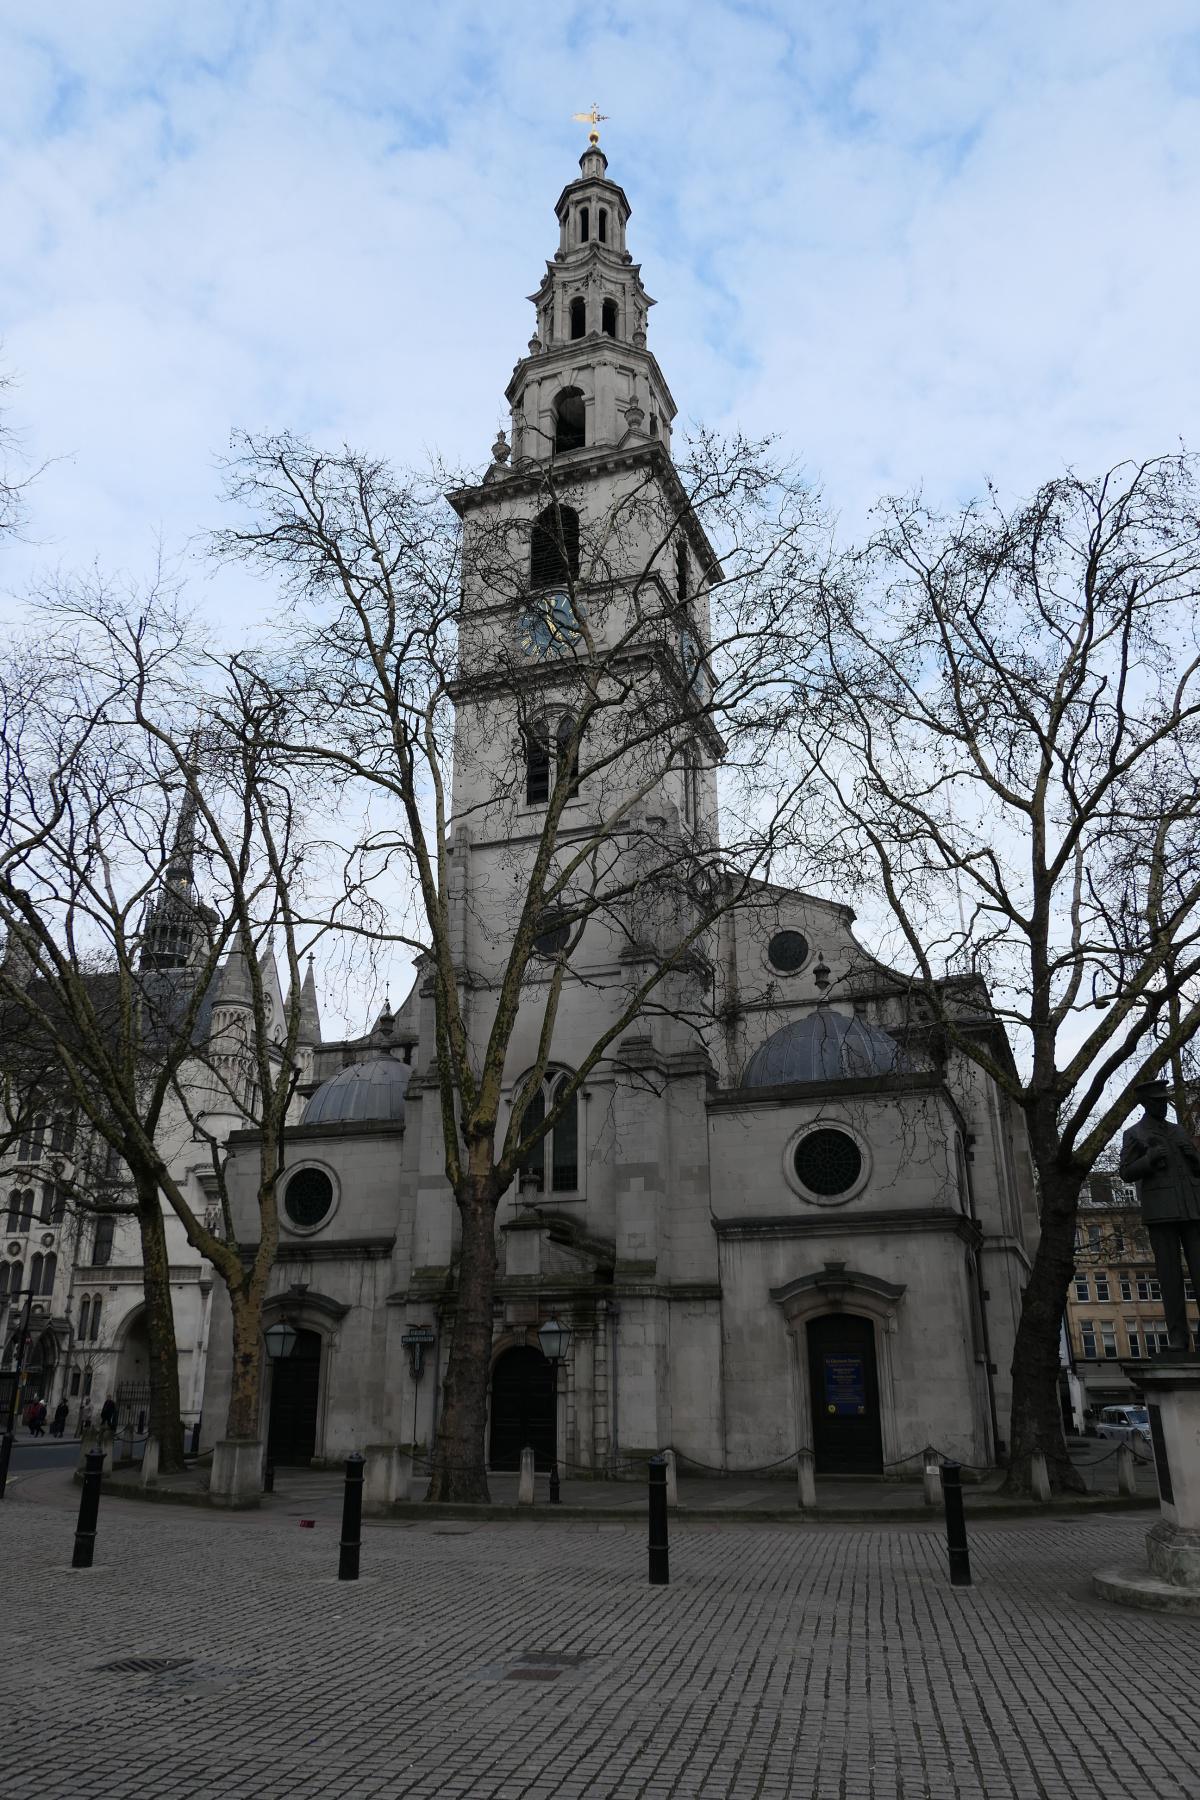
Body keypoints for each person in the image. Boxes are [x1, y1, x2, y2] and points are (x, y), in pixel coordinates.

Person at [1119, 1076, 1200, 1352]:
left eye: (1165, 1101)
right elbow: (1126, 1172)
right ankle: (1178, 1338)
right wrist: (1149, 1160)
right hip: (1161, 1211)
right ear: (1145, 1103)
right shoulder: (1135, 1134)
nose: (1163, 1106)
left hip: (1192, 1209)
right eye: (1157, 1102)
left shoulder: (1179, 1131)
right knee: (1169, 1276)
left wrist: (1193, 1156)